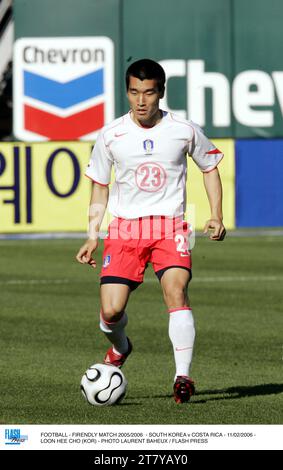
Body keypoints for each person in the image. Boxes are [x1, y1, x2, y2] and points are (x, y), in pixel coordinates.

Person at [76, 59, 226, 404]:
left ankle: (183, 376)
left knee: (176, 292)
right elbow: (100, 185)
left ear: (161, 92)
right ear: (127, 92)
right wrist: (92, 234)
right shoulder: (112, 134)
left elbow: (210, 165)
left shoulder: (183, 129)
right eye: (133, 92)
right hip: (125, 230)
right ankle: (121, 347)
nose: (141, 100)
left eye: (148, 92)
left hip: (169, 225)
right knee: (111, 312)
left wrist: (217, 215)